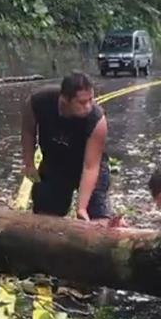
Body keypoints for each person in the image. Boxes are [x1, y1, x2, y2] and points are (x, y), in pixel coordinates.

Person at [22, 72, 110, 221]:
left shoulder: (97, 119)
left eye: (91, 100)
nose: (88, 106)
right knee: (45, 213)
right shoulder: (38, 101)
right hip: (55, 162)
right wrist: (29, 163)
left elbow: (91, 167)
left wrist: (81, 207)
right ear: (64, 100)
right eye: (82, 102)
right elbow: (28, 131)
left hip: (86, 164)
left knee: (97, 217)